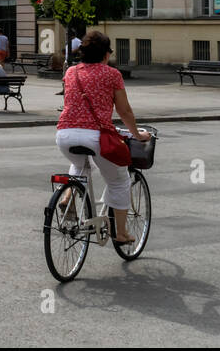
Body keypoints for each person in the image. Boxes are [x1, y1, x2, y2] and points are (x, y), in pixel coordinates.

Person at [55, 30, 151, 244]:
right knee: (119, 181)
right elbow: (124, 111)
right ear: (106, 54)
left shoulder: (71, 72)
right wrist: (137, 134)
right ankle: (122, 233)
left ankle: (69, 196)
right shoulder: (112, 74)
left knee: (81, 164)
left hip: (64, 134)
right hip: (96, 137)